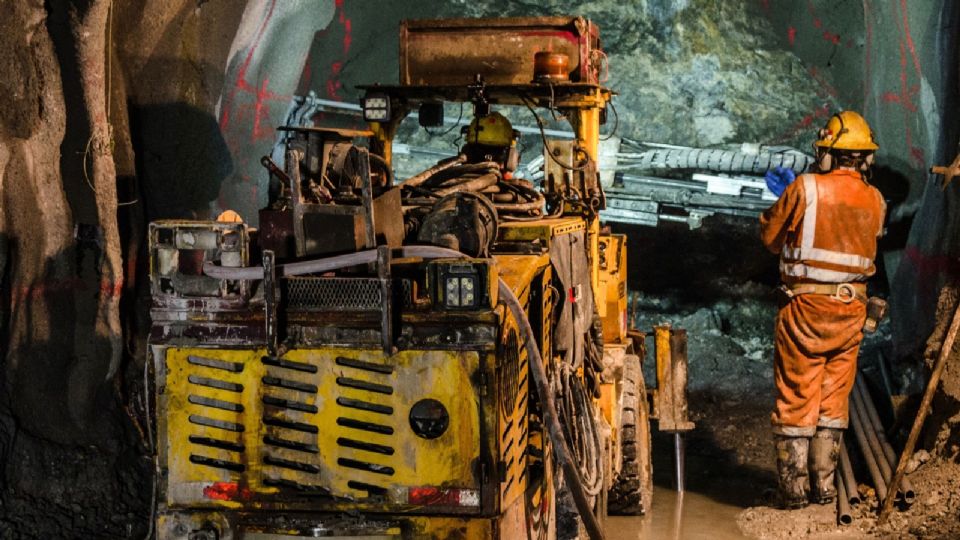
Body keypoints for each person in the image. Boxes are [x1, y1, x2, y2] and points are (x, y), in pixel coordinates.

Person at [759, 111, 886, 508]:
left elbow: (770, 238)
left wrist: (784, 200)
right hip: (852, 311)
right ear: (865, 158)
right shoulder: (876, 199)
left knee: (797, 392)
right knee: (834, 397)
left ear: (827, 153)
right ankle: (825, 487)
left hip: (806, 309)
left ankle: (793, 490)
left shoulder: (806, 188)